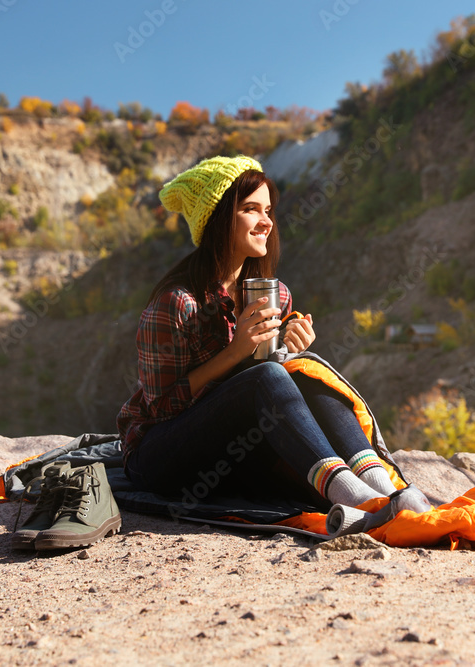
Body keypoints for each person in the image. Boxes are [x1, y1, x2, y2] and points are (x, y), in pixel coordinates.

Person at [117, 155, 431, 518]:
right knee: (266, 376)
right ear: (217, 219)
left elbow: (271, 388)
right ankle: (360, 501)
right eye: (251, 209)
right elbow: (161, 407)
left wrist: (289, 346)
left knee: (306, 371)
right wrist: (236, 352)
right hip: (158, 456)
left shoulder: (274, 295)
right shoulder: (176, 302)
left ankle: (386, 490)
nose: (266, 222)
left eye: (268, 210)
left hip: (231, 451)